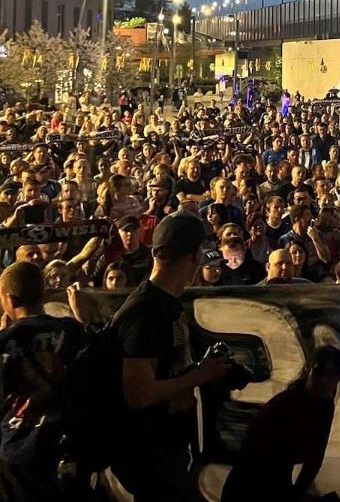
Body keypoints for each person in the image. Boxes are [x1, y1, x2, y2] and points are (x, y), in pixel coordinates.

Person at [110, 212, 235, 500]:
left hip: (172, 443)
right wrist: (201, 375)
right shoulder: (145, 312)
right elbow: (139, 393)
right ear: (194, 257)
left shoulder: (166, 304)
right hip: (151, 451)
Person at [0, 260, 87, 500]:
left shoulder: (7, 340)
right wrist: (82, 318)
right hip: (67, 446)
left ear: (10, 300)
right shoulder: (72, 330)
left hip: (17, 452)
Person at [220, 345, 340, 501]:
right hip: (249, 488)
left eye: (332, 375)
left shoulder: (325, 406)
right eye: (320, 371)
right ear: (308, 370)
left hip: (274, 485)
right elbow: (257, 463)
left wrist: (296, 492)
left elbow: (314, 460)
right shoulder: (282, 407)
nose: (325, 380)